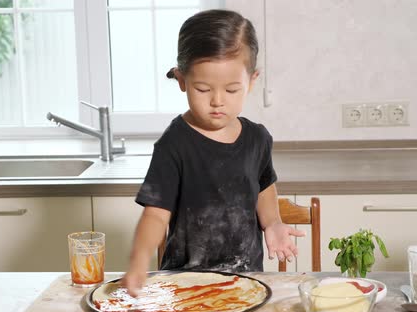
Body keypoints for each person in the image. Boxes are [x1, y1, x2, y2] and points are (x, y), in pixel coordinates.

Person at [122, 9, 304, 297]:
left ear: (252, 81)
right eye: (203, 89)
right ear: (181, 80)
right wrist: (138, 262)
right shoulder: (175, 144)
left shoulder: (257, 138)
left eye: (232, 90)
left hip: (246, 283)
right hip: (184, 286)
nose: (217, 101)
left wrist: (273, 223)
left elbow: (264, 187)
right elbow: (155, 216)